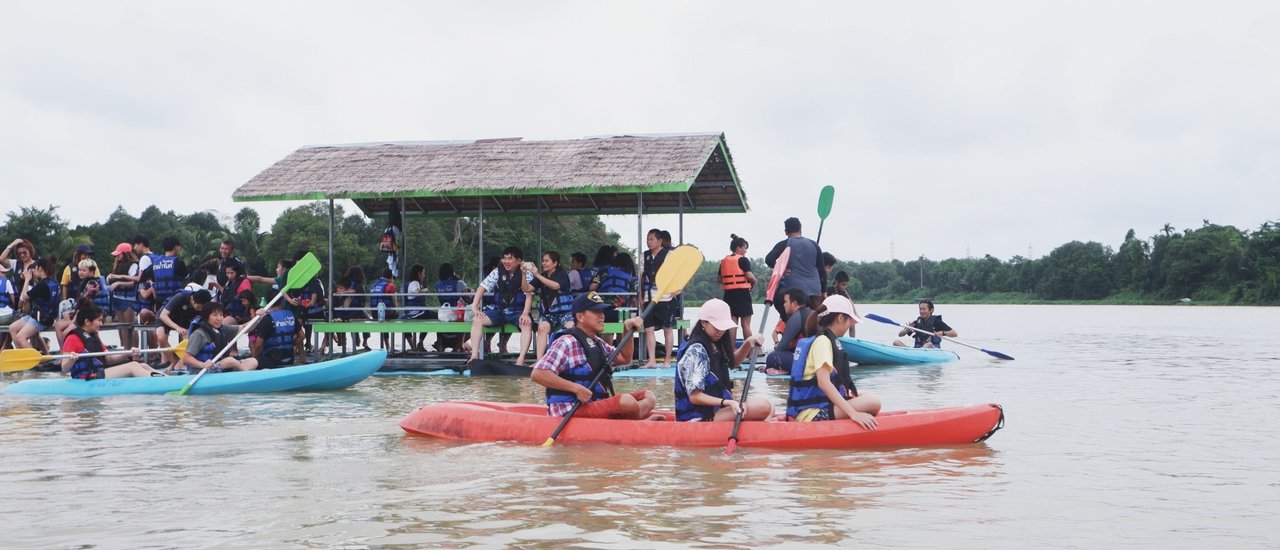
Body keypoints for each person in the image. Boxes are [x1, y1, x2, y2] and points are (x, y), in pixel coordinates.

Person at [530, 291, 658, 420]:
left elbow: (625, 359)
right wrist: (576, 389)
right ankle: (638, 423)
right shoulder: (566, 342)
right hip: (571, 411)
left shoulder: (597, 343)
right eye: (596, 312)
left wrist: (626, 329)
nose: (602, 316)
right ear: (580, 316)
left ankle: (634, 417)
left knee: (649, 396)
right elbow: (538, 374)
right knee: (626, 401)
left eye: (602, 312)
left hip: (593, 405)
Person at [787, 295, 880, 428]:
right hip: (813, 415)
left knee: (866, 396)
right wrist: (853, 413)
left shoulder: (821, 339)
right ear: (841, 318)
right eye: (849, 321)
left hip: (813, 410)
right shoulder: (823, 342)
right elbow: (823, 383)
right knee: (873, 402)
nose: (849, 326)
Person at [674, 299, 772, 422]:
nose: (721, 331)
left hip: (716, 410)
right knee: (763, 407)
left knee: (770, 407)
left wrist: (748, 343)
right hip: (697, 417)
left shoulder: (714, 342)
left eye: (723, 327)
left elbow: (733, 363)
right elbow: (695, 396)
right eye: (717, 326)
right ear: (704, 323)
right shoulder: (696, 350)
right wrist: (727, 402)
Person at [467, 247, 534, 366]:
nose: (506, 261)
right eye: (504, 258)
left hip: (517, 311)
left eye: (510, 259)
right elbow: (482, 287)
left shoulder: (526, 273)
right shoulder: (497, 271)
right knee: (477, 319)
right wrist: (475, 307)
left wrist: (525, 314)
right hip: (499, 311)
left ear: (518, 261)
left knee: (526, 323)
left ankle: (521, 359)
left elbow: (529, 296)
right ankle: (474, 356)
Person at [60, 303, 164, 379]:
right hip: (87, 377)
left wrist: (128, 353)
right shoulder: (72, 338)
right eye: (99, 320)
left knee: (143, 365)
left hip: (98, 373)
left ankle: (168, 379)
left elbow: (108, 358)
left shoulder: (94, 336)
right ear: (87, 321)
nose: (101, 324)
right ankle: (160, 383)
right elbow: (64, 368)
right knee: (133, 366)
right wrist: (71, 360)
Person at [764, 217, 827, 317]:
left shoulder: (784, 244)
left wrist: (782, 270)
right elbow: (821, 270)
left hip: (794, 290)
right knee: (814, 319)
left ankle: (787, 323)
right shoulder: (814, 245)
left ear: (785, 232)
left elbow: (769, 259)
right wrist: (824, 291)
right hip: (814, 289)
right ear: (800, 229)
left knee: (793, 318)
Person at [179, 302, 259, 373]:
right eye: (215, 315)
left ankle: (240, 371)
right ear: (206, 317)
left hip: (220, 366)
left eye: (221, 315)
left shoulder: (222, 329)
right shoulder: (199, 334)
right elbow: (186, 358)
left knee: (253, 361)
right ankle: (244, 373)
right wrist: (203, 364)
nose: (219, 318)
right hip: (201, 371)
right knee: (230, 360)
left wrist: (258, 317)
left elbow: (245, 328)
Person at [640, 228, 676, 368]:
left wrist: (678, 289)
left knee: (667, 328)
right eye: (647, 239)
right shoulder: (644, 256)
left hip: (666, 296)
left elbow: (677, 274)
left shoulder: (669, 255)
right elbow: (641, 277)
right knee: (649, 329)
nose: (648, 242)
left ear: (659, 241)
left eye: (651, 239)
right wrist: (640, 296)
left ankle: (667, 360)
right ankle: (652, 360)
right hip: (650, 297)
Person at [529, 251, 575, 360]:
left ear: (555, 263)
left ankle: (572, 358)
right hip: (549, 314)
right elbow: (527, 289)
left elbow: (555, 286)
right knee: (542, 327)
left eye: (547, 261)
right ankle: (540, 361)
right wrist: (522, 274)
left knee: (571, 327)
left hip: (565, 312)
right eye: (543, 261)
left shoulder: (562, 274)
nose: (544, 263)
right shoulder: (541, 276)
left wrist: (537, 275)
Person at [9, 256, 59, 352]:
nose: (34, 271)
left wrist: (27, 280)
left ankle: (36, 361)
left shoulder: (42, 285)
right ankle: (22, 355)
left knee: (20, 337)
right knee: (12, 328)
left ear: (40, 268)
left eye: (35, 269)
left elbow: (24, 296)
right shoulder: (53, 282)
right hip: (40, 315)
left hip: (42, 318)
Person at [156, 288, 212, 368]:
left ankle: (182, 362)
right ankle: (172, 361)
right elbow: (163, 315)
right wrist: (177, 327)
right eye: (199, 307)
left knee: (192, 337)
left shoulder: (202, 305)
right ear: (193, 300)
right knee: (161, 338)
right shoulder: (180, 297)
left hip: (185, 318)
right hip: (167, 316)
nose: (200, 310)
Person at [764, 289, 811, 375]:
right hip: (812, 358)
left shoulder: (796, 318)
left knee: (772, 357)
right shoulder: (811, 312)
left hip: (806, 361)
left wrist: (776, 351)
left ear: (794, 303)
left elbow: (782, 346)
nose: (784, 304)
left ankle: (787, 370)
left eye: (786, 302)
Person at [251, 290, 303, 369]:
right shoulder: (291, 315)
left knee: (249, 362)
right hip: (289, 358)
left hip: (271, 360)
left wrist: (253, 358)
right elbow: (302, 336)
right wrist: (290, 344)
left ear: (267, 302)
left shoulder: (266, 319)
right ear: (282, 301)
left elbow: (258, 345)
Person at [720, 234, 757, 341]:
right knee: (746, 325)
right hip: (743, 294)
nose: (745, 251)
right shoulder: (743, 260)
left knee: (732, 324)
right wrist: (754, 282)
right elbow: (750, 276)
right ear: (739, 248)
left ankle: (731, 350)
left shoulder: (724, 261)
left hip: (729, 295)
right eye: (745, 248)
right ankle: (750, 351)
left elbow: (719, 279)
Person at [106, 242, 141, 346]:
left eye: (119, 254)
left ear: (126, 254)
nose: (117, 257)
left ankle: (134, 352)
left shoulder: (133, 265)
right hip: (117, 298)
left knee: (130, 326)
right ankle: (126, 350)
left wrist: (118, 282)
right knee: (122, 327)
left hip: (128, 300)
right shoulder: (118, 266)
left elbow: (133, 283)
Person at [433, 263, 471, 352]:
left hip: (444, 315)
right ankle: (458, 345)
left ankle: (440, 342)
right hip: (457, 314)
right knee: (473, 320)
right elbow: (468, 299)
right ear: (452, 272)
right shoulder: (459, 283)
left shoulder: (437, 285)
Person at [369, 269, 398, 349]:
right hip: (386, 314)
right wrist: (395, 309)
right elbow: (394, 303)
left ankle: (387, 346)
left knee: (383, 322)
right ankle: (412, 345)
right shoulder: (390, 286)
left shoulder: (373, 285)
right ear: (391, 277)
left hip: (375, 314)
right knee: (403, 319)